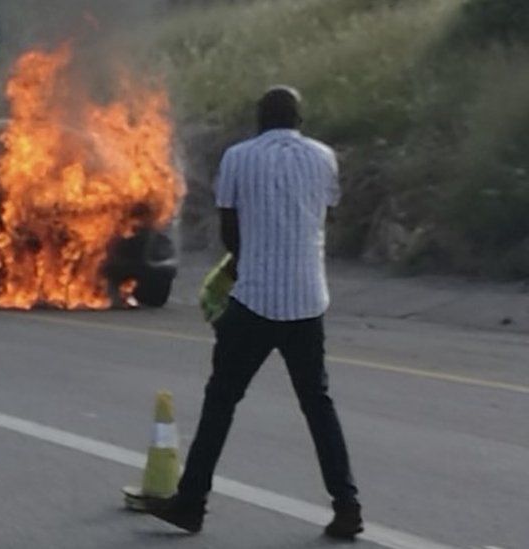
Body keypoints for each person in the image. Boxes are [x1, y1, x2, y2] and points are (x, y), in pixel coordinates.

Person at [145, 86, 363, 539]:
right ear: (299, 121)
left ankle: (191, 503)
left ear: (258, 121)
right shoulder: (324, 158)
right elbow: (325, 216)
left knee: (221, 400)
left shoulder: (238, 158)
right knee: (317, 404)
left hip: (256, 298)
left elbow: (231, 233)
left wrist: (248, 262)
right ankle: (347, 507)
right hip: (308, 301)